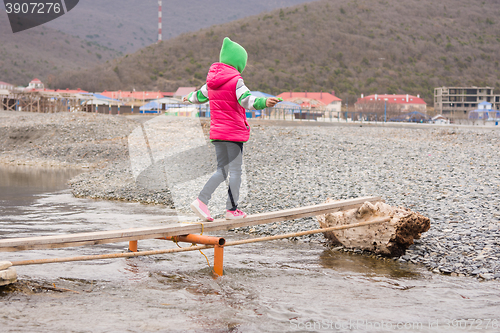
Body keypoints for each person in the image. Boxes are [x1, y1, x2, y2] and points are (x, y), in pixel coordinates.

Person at [183, 37, 279, 221]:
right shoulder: (236, 81)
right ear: (238, 62)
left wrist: (187, 97)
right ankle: (228, 209)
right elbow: (248, 100)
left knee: (222, 169)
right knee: (234, 171)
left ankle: (204, 202)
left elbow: (199, 96)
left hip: (217, 133)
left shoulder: (211, 82)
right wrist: (264, 102)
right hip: (233, 133)